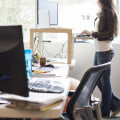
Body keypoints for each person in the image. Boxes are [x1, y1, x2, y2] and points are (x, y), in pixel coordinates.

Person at [81, 0, 120, 118]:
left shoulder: (109, 13)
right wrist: (91, 34)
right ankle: (116, 104)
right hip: (99, 51)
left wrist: (92, 33)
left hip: (105, 51)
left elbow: (109, 34)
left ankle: (105, 110)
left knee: (104, 81)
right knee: (96, 80)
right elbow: (101, 32)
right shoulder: (102, 13)